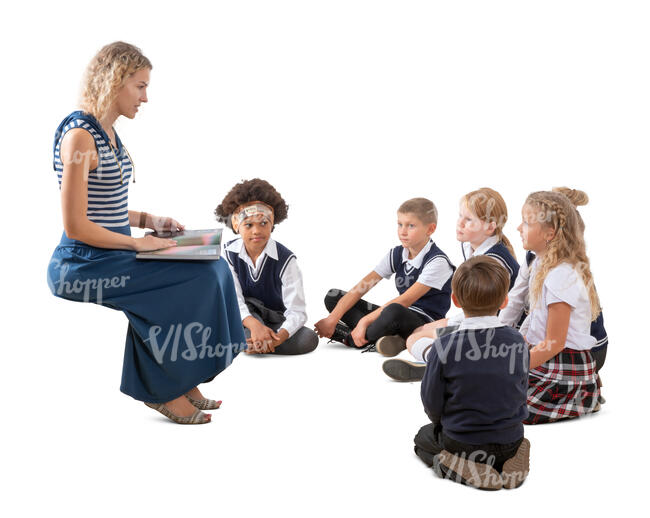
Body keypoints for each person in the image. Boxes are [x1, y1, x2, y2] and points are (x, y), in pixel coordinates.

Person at [47, 41, 246, 425]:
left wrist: (149, 220)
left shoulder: (106, 132)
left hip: (110, 251)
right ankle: (162, 390)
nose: (146, 97)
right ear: (114, 81)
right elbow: (76, 224)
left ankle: (182, 376)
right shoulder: (80, 137)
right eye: (139, 86)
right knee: (188, 284)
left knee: (213, 268)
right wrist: (139, 243)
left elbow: (103, 208)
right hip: (80, 264)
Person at [413, 256, 530, 490]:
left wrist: (440, 424)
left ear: (455, 300)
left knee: (422, 439)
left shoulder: (444, 345)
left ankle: (458, 466)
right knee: (507, 439)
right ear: (505, 300)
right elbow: (520, 388)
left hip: (464, 443)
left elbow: (431, 402)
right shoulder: (518, 341)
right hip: (511, 439)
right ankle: (512, 459)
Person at [382, 187, 520, 380]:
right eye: (460, 216)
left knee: (416, 338)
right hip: (473, 316)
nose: (460, 223)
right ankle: (417, 346)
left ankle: (437, 361)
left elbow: (491, 314)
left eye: (468, 220)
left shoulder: (494, 261)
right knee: (419, 330)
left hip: (489, 327)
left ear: (490, 227)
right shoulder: (470, 246)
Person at [314, 198, 455, 354]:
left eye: (411, 226)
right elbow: (362, 287)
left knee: (393, 310)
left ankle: (350, 337)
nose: (403, 231)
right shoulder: (397, 253)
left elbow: (404, 300)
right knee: (333, 296)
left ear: (430, 229)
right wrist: (332, 319)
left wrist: (363, 322)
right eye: (400, 224)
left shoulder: (438, 262)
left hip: (421, 322)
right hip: (392, 316)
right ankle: (386, 337)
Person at [513, 189, 602, 424]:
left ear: (549, 233)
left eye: (526, 222)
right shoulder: (542, 265)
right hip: (547, 359)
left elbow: (554, 343)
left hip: (562, 364)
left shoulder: (561, 275)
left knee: (504, 408)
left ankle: (579, 397)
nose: (518, 228)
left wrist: (512, 368)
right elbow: (534, 321)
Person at [215, 179, 319, 355]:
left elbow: (297, 311)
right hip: (246, 317)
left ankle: (255, 343)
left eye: (263, 223)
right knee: (228, 317)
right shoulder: (228, 254)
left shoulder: (286, 260)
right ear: (236, 225)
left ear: (273, 223)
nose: (257, 231)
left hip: (276, 320)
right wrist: (254, 325)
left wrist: (279, 338)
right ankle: (254, 339)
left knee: (308, 339)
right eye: (248, 225)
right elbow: (234, 299)